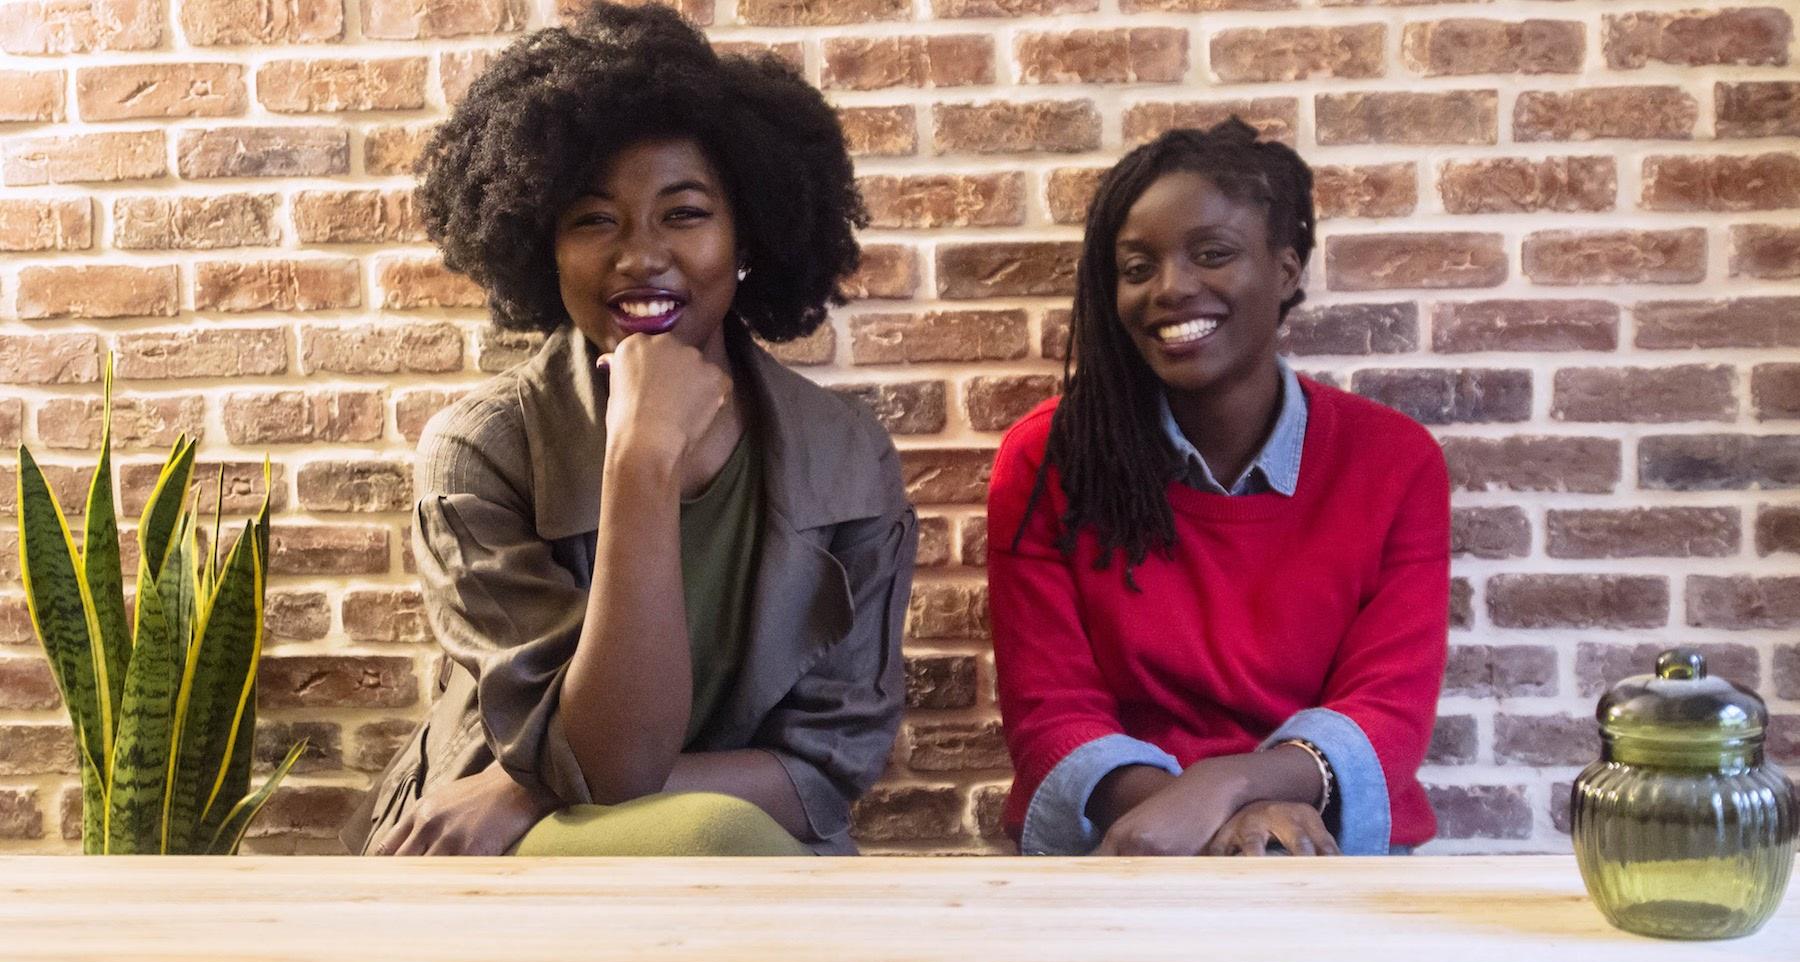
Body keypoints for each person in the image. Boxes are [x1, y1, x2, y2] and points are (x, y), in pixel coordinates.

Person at [341, 2, 917, 858]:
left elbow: (826, 770)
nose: (640, 255)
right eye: (593, 219)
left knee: (721, 836)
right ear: (542, 245)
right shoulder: (480, 452)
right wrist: (640, 456)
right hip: (492, 848)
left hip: (701, 833)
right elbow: (611, 758)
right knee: (716, 832)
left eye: (684, 214)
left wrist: (529, 785)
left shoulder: (848, 456)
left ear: (747, 236)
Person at [987, 120, 1449, 858]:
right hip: (1125, 845)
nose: (1171, 287)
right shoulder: (1048, 460)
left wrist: (1229, 788)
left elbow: (1387, 709)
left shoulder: (1394, 462)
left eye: (1212, 254)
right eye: (1138, 266)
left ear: (1287, 270)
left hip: (1325, 850)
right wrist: (1217, 822)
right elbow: (1052, 713)